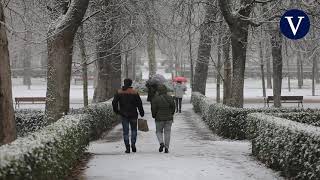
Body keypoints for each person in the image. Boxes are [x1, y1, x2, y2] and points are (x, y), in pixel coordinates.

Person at [112, 78, 144, 153]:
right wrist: (141, 112)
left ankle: (127, 147)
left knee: (125, 131)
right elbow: (139, 103)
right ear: (131, 84)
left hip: (124, 114)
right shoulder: (134, 92)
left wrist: (117, 111)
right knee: (133, 130)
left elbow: (114, 102)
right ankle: (133, 144)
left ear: (124, 83)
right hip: (133, 114)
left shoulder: (119, 91)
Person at [151, 84, 175, 153]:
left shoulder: (155, 99)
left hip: (159, 118)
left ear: (158, 91)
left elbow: (153, 108)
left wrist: (154, 115)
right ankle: (167, 148)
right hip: (169, 118)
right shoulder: (170, 97)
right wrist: (171, 114)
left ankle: (161, 143)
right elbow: (173, 107)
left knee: (158, 131)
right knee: (167, 132)